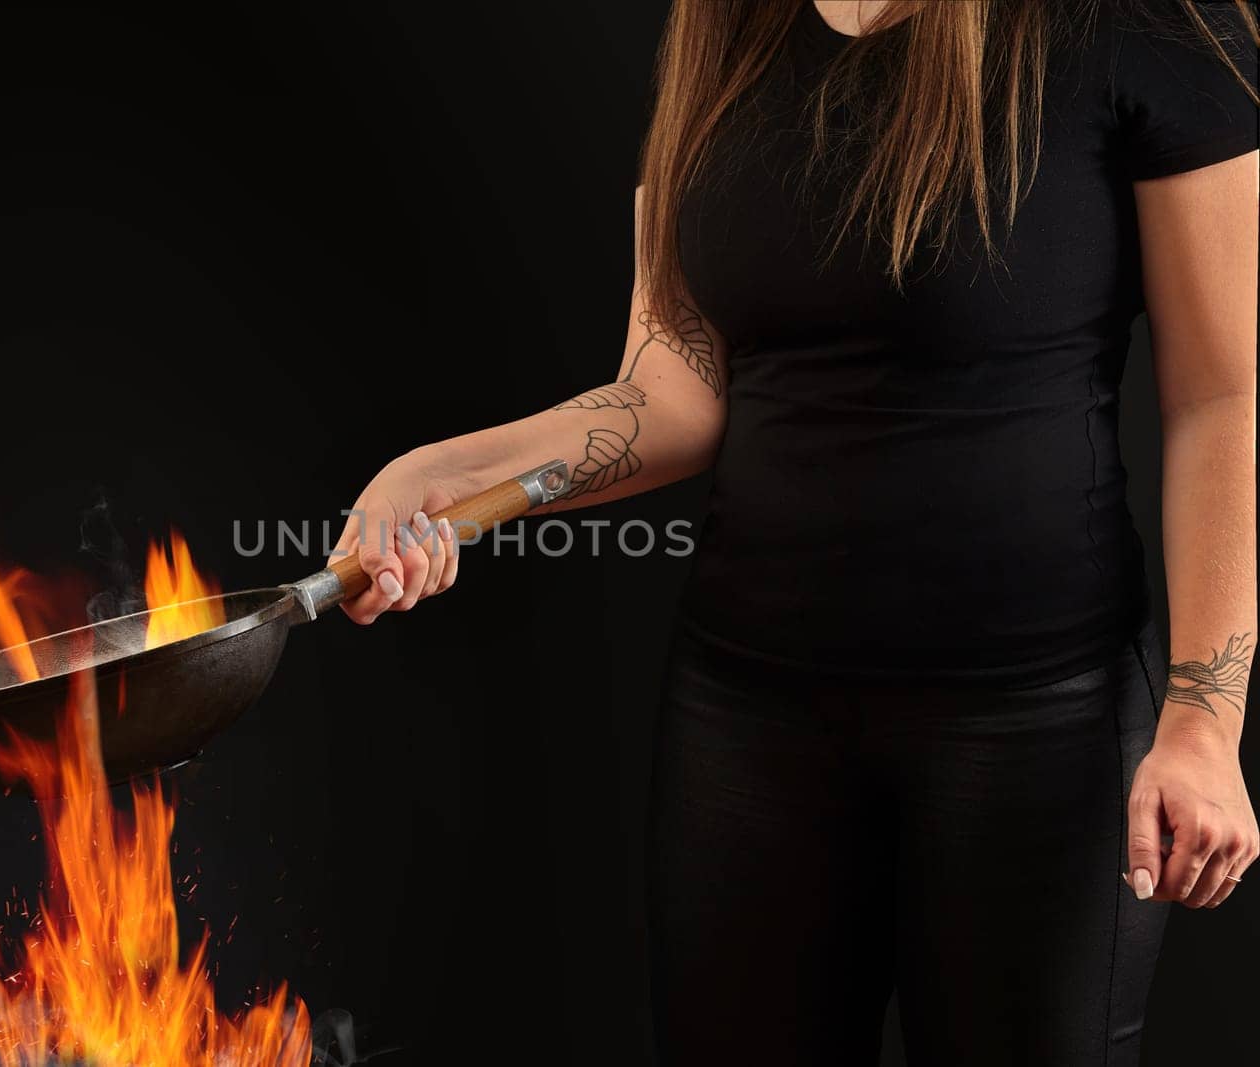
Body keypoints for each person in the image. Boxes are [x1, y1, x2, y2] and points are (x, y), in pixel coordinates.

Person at [330, 1, 1258, 1062]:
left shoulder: (1137, 23)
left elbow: (1221, 397)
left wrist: (1202, 721)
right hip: (749, 723)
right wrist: (434, 474)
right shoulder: (723, 27)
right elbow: (673, 388)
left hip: (1039, 723)